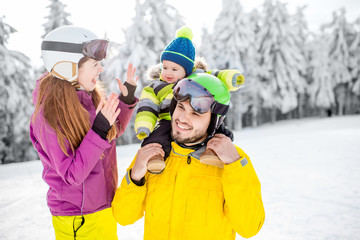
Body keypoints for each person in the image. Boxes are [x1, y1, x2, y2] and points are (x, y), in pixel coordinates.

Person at [112, 73, 265, 240]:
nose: (182, 119)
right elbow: (123, 216)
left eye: (196, 114)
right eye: (181, 107)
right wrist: (135, 178)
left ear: (214, 121)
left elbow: (249, 227)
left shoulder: (232, 160)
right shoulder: (153, 153)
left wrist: (234, 164)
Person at [29, 25, 138, 239]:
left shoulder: (88, 98)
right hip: (78, 217)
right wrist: (99, 128)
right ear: (67, 67)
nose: (101, 69)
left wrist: (126, 100)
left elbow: (109, 133)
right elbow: (72, 175)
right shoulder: (50, 115)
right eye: (95, 64)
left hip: (102, 207)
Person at [135, 26, 244, 173]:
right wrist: (144, 125)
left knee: (219, 130)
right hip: (168, 119)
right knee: (157, 137)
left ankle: (213, 152)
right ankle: (155, 159)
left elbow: (214, 77)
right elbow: (147, 106)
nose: (168, 73)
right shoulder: (155, 86)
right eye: (165, 67)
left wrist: (231, 79)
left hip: (197, 112)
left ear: (186, 71)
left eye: (174, 70)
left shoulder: (193, 78)